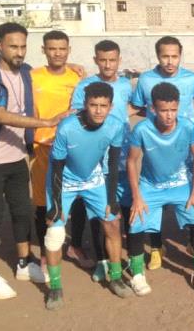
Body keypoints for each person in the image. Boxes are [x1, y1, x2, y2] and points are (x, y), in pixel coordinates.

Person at [0, 22, 62, 300]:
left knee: (22, 212)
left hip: (18, 155)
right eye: (13, 46)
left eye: (23, 46)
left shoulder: (28, 72)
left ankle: (23, 263)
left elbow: (51, 74)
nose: (19, 52)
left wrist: (74, 66)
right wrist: (45, 122)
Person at [43, 82, 133, 310]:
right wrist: (56, 206)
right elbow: (57, 167)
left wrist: (111, 200)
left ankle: (115, 277)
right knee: (54, 233)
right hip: (64, 181)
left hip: (93, 179)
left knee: (112, 223)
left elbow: (113, 162)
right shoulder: (67, 127)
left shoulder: (115, 126)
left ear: (111, 106)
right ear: (85, 104)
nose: (98, 110)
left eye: (103, 105)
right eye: (93, 105)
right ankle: (55, 288)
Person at [126, 83, 194, 294]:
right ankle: (137, 274)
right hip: (150, 185)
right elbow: (132, 161)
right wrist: (137, 197)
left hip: (181, 183)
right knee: (135, 221)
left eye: (173, 110)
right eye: (164, 110)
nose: (169, 115)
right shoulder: (142, 129)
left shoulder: (188, 127)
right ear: (153, 108)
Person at [130, 36, 194, 270]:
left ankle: (193, 242)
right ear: (157, 56)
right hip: (158, 144)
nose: (170, 61)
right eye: (165, 56)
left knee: (191, 195)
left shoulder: (192, 78)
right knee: (156, 196)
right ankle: (156, 247)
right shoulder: (146, 79)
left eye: (174, 56)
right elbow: (137, 107)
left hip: (185, 145)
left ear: (180, 56)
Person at [71, 39, 136, 281]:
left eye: (112, 60)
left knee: (125, 205)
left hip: (121, 156)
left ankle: (130, 256)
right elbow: (77, 115)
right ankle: (102, 260)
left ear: (119, 60)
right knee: (98, 212)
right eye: (103, 60)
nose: (108, 65)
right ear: (95, 60)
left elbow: (135, 106)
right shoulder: (85, 86)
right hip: (95, 159)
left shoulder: (126, 85)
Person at [30, 30, 92, 281]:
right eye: (52, 48)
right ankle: (46, 254)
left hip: (71, 148)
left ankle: (75, 245)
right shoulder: (32, 76)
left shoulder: (77, 77)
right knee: (42, 201)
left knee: (77, 198)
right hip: (42, 146)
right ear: (43, 50)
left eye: (62, 48)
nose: (57, 53)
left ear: (69, 50)